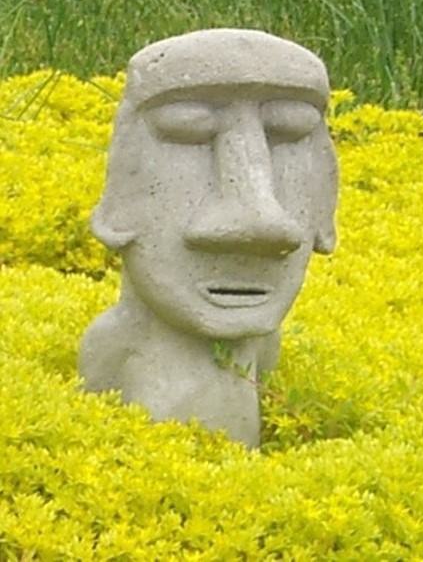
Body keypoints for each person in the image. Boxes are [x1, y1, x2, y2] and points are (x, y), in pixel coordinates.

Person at [78, 29, 338, 447]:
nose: (261, 224)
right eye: (187, 128)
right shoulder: (115, 349)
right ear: (120, 186)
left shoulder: (262, 347)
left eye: (291, 131)